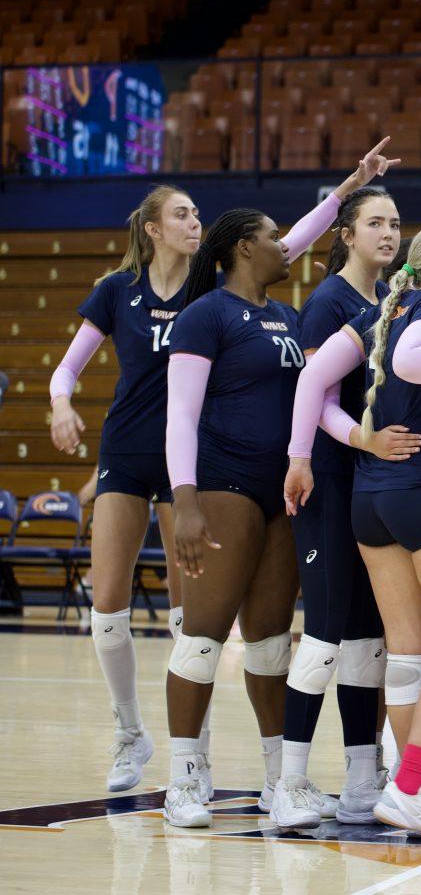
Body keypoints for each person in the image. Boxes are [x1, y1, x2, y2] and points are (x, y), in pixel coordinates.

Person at [160, 140, 399, 829]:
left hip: (284, 493)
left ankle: (276, 781)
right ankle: (184, 779)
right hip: (223, 486)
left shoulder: (286, 316)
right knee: (203, 636)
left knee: (269, 642)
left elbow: (302, 236)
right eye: (270, 239)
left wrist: (352, 185)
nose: (284, 248)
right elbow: (180, 412)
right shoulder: (205, 314)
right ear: (241, 249)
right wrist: (182, 500)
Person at [276, 168, 421, 829]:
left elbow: (312, 384)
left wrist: (339, 443)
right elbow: (413, 360)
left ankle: (418, 786)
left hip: (370, 500)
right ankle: (410, 781)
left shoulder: (380, 306)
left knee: (408, 654)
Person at [48, 185, 200, 794]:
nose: (195, 222)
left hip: (187, 460)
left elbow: (285, 247)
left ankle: (194, 749)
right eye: (183, 214)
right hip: (126, 453)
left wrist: (345, 191)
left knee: (188, 613)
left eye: (196, 214)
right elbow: (66, 369)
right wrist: (61, 406)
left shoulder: (209, 283)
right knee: (107, 604)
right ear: (153, 229)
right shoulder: (117, 291)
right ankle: (130, 732)